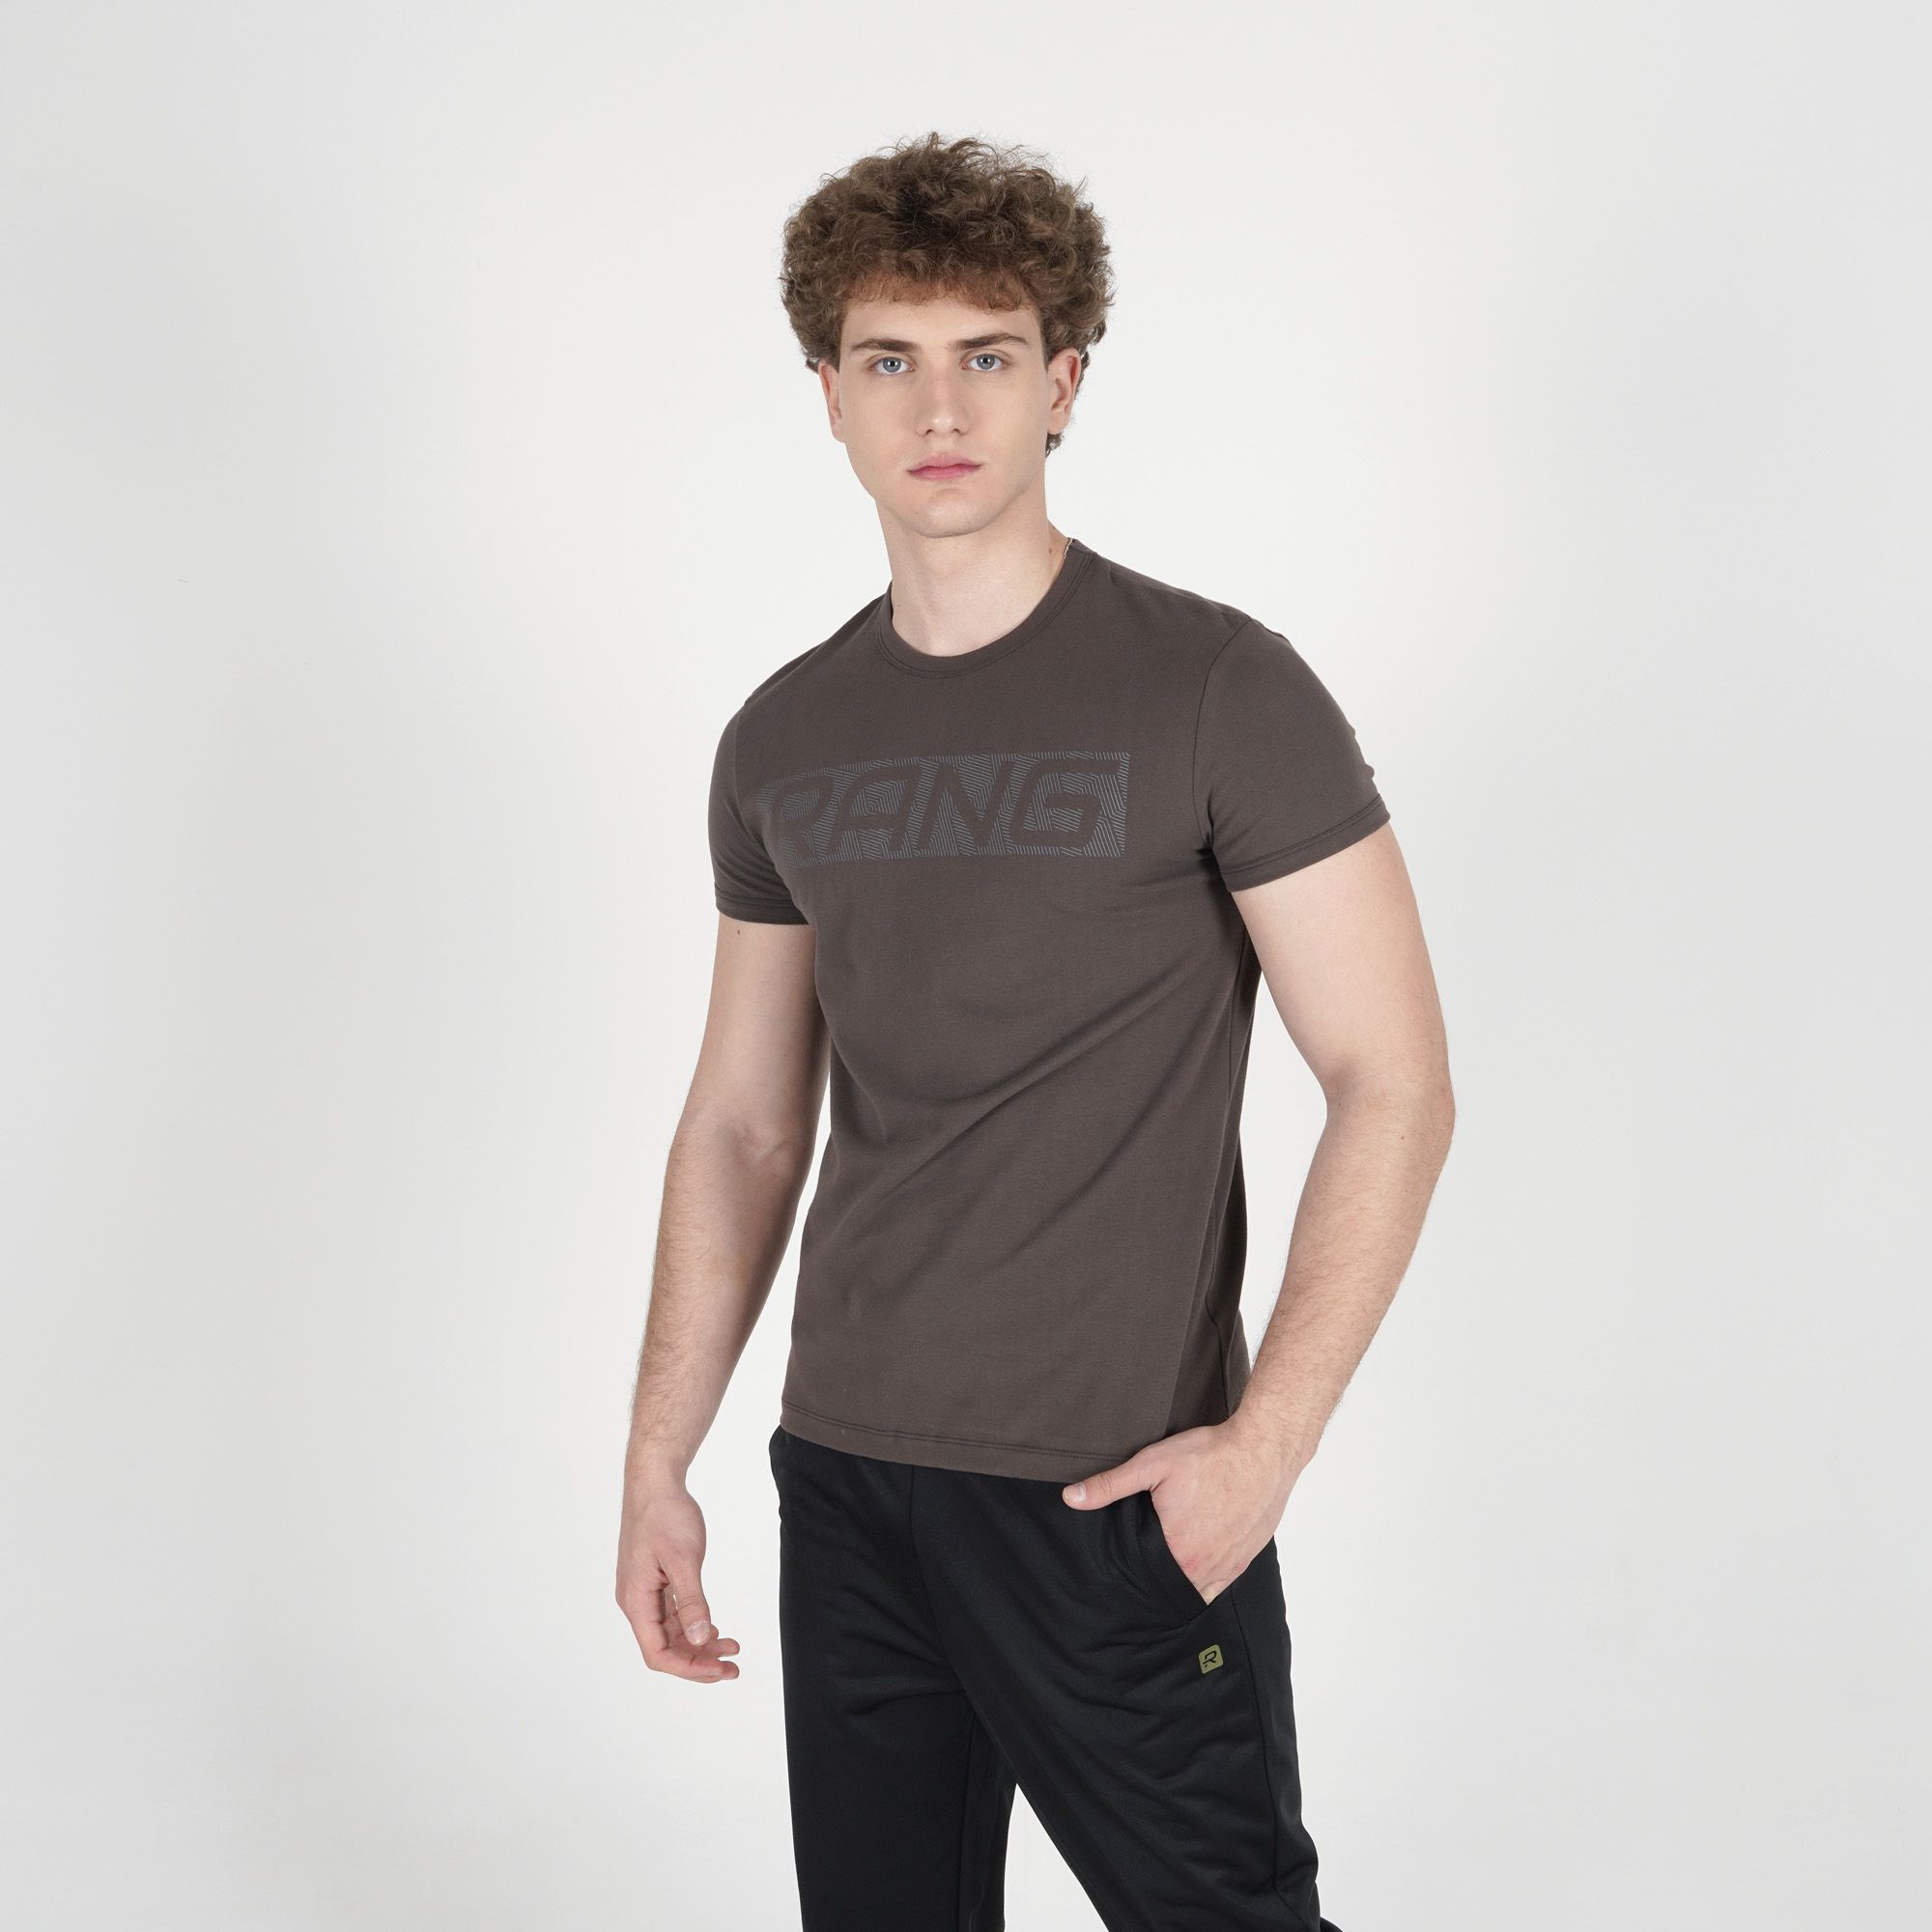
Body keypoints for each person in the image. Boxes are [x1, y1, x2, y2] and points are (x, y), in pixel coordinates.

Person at [616, 130, 1454, 1932]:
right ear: (828, 395)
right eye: (888, 360)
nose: (940, 406)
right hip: (848, 1484)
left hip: (1114, 1500)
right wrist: (656, 1461)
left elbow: (1392, 1081)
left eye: (987, 355)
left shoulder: (1220, 688)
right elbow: (744, 1125)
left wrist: (1266, 1448)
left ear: (1063, 382)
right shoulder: (783, 736)